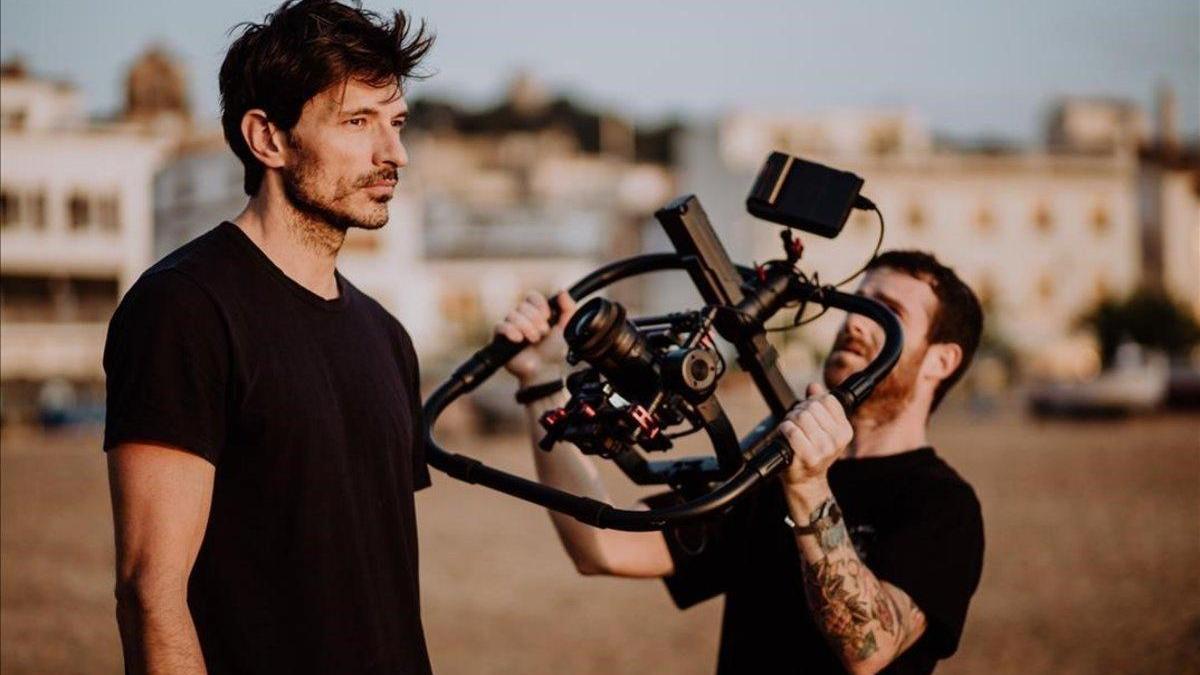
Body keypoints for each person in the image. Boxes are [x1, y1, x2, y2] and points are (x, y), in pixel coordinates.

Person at [102, 2, 434, 672]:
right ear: (268, 139)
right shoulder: (183, 309)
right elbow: (150, 592)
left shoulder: (388, 337)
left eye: (395, 123)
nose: (392, 153)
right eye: (358, 122)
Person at [497, 250, 985, 674]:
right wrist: (539, 382)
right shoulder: (766, 465)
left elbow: (869, 650)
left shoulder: (943, 504)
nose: (856, 321)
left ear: (942, 360)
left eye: (888, 312)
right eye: (858, 303)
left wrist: (810, 484)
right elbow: (603, 548)